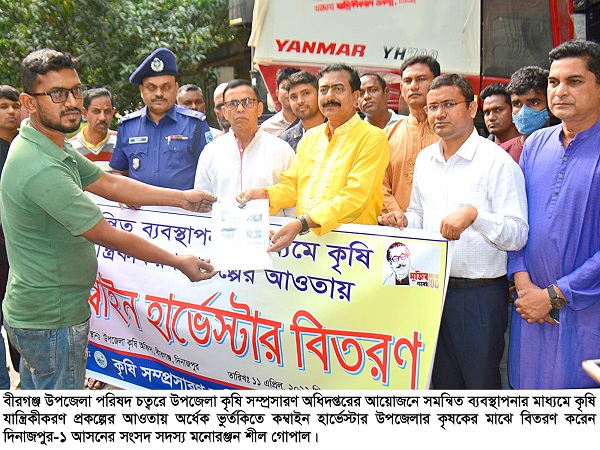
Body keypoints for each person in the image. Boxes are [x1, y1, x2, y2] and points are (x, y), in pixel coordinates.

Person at [1, 48, 218, 390]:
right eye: (57, 94)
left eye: (75, 90)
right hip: (52, 319)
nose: (71, 102)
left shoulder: (50, 143)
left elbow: (111, 183)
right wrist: (178, 261)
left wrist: (182, 198)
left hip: (41, 312)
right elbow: (107, 234)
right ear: (29, 102)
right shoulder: (40, 165)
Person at [379, 74, 528, 389]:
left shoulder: (497, 163)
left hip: (479, 296)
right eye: (432, 107)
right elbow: (420, 215)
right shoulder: (426, 160)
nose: (439, 114)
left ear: (472, 108)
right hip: (431, 290)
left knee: (480, 387)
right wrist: (402, 221)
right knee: (441, 385)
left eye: (449, 104)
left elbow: (517, 234)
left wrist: (475, 216)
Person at [508, 39, 600, 389]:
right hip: (530, 310)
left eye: (574, 81)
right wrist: (523, 284)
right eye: (553, 82)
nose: (559, 91)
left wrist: (555, 295)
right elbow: (516, 220)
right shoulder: (535, 144)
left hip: (586, 313)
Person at [237, 63, 390, 253]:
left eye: (338, 89)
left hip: (351, 249)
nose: (329, 97)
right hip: (309, 248)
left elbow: (355, 197)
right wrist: (263, 195)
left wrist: (303, 222)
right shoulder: (311, 137)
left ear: (355, 96)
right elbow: (293, 186)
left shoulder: (373, 138)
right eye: (324, 90)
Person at [109, 48, 213, 190]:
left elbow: (211, 172)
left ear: (176, 88)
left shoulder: (195, 124)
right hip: (139, 204)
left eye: (166, 87)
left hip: (183, 204)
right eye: (151, 88)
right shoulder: (128, 126)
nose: (159, 93)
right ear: (141, 90)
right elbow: (119, 172)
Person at [194, 79, 295, 214]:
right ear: (225, 112)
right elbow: (203, 204)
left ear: (259, 109)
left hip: (271, 227)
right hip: (222, 227)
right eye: (233, 104)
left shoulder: (282, 151)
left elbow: (292, 203)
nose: (240, 109)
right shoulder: (210, 152)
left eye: (247, 102)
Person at [379, 55, 441, 218]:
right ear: (401, 87)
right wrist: (399, 216)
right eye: (407, 81)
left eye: (421, 79)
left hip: (442, 228)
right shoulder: (387, 135)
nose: (413, 86)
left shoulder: (449, 134)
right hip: (396, 227)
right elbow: (379, 184)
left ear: (436, 83)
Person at [0, 85, 21, 390]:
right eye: (3, 107)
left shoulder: (28, 145)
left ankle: (25, 380)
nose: (11, 112)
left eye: (15, 106)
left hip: (23, 251)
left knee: (21, 322)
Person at [501, 66, 550, 163]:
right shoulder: (502, 154)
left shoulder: (563, 152)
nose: (523, 111)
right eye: (517, 104)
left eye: (534, 102)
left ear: (550, 105)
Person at [68, 88, 117, 171]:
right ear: (85, 113)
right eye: (96, 111)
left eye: (107, 111)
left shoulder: (120, 143)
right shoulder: (71, 148)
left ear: (113, 112)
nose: (102, 117)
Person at [280, 71, 325, 151]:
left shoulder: (338, 131)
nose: (300, 101)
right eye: (293, 97)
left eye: (306, 93)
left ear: (319, 94)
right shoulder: (285, 142)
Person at [260, 67, 300, 136]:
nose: (289, 92)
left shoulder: (311, 123)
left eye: (293, 87)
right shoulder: (267, 129)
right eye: (285, 87)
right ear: (277, 94)